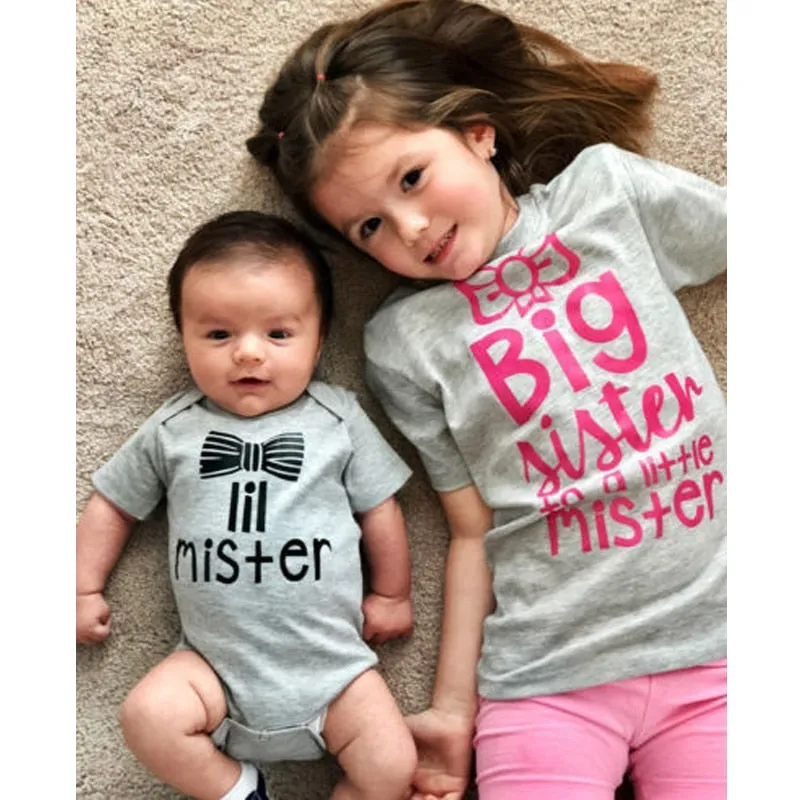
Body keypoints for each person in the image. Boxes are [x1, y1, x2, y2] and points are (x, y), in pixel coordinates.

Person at [244, 1, 727, 799]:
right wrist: (451, 710)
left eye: (412, 178)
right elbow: (470, 532)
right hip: (545, 675)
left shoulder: (605, 196)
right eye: (369, 226)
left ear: (478, 132)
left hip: (722, 651)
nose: (409, 228)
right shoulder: (402, 342)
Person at [76, 210, 419, 800]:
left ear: (318, 336)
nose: (249, 355)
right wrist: (81, 587)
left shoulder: (338, 418)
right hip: (212, 670)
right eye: (218, 335)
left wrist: (391, 593)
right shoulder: (173, 428)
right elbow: (114, 503)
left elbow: (380, 507)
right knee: (145, 716)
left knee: (392, 766)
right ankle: (237, 790)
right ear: (183, 335)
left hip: (335, 673)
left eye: (279, 334)